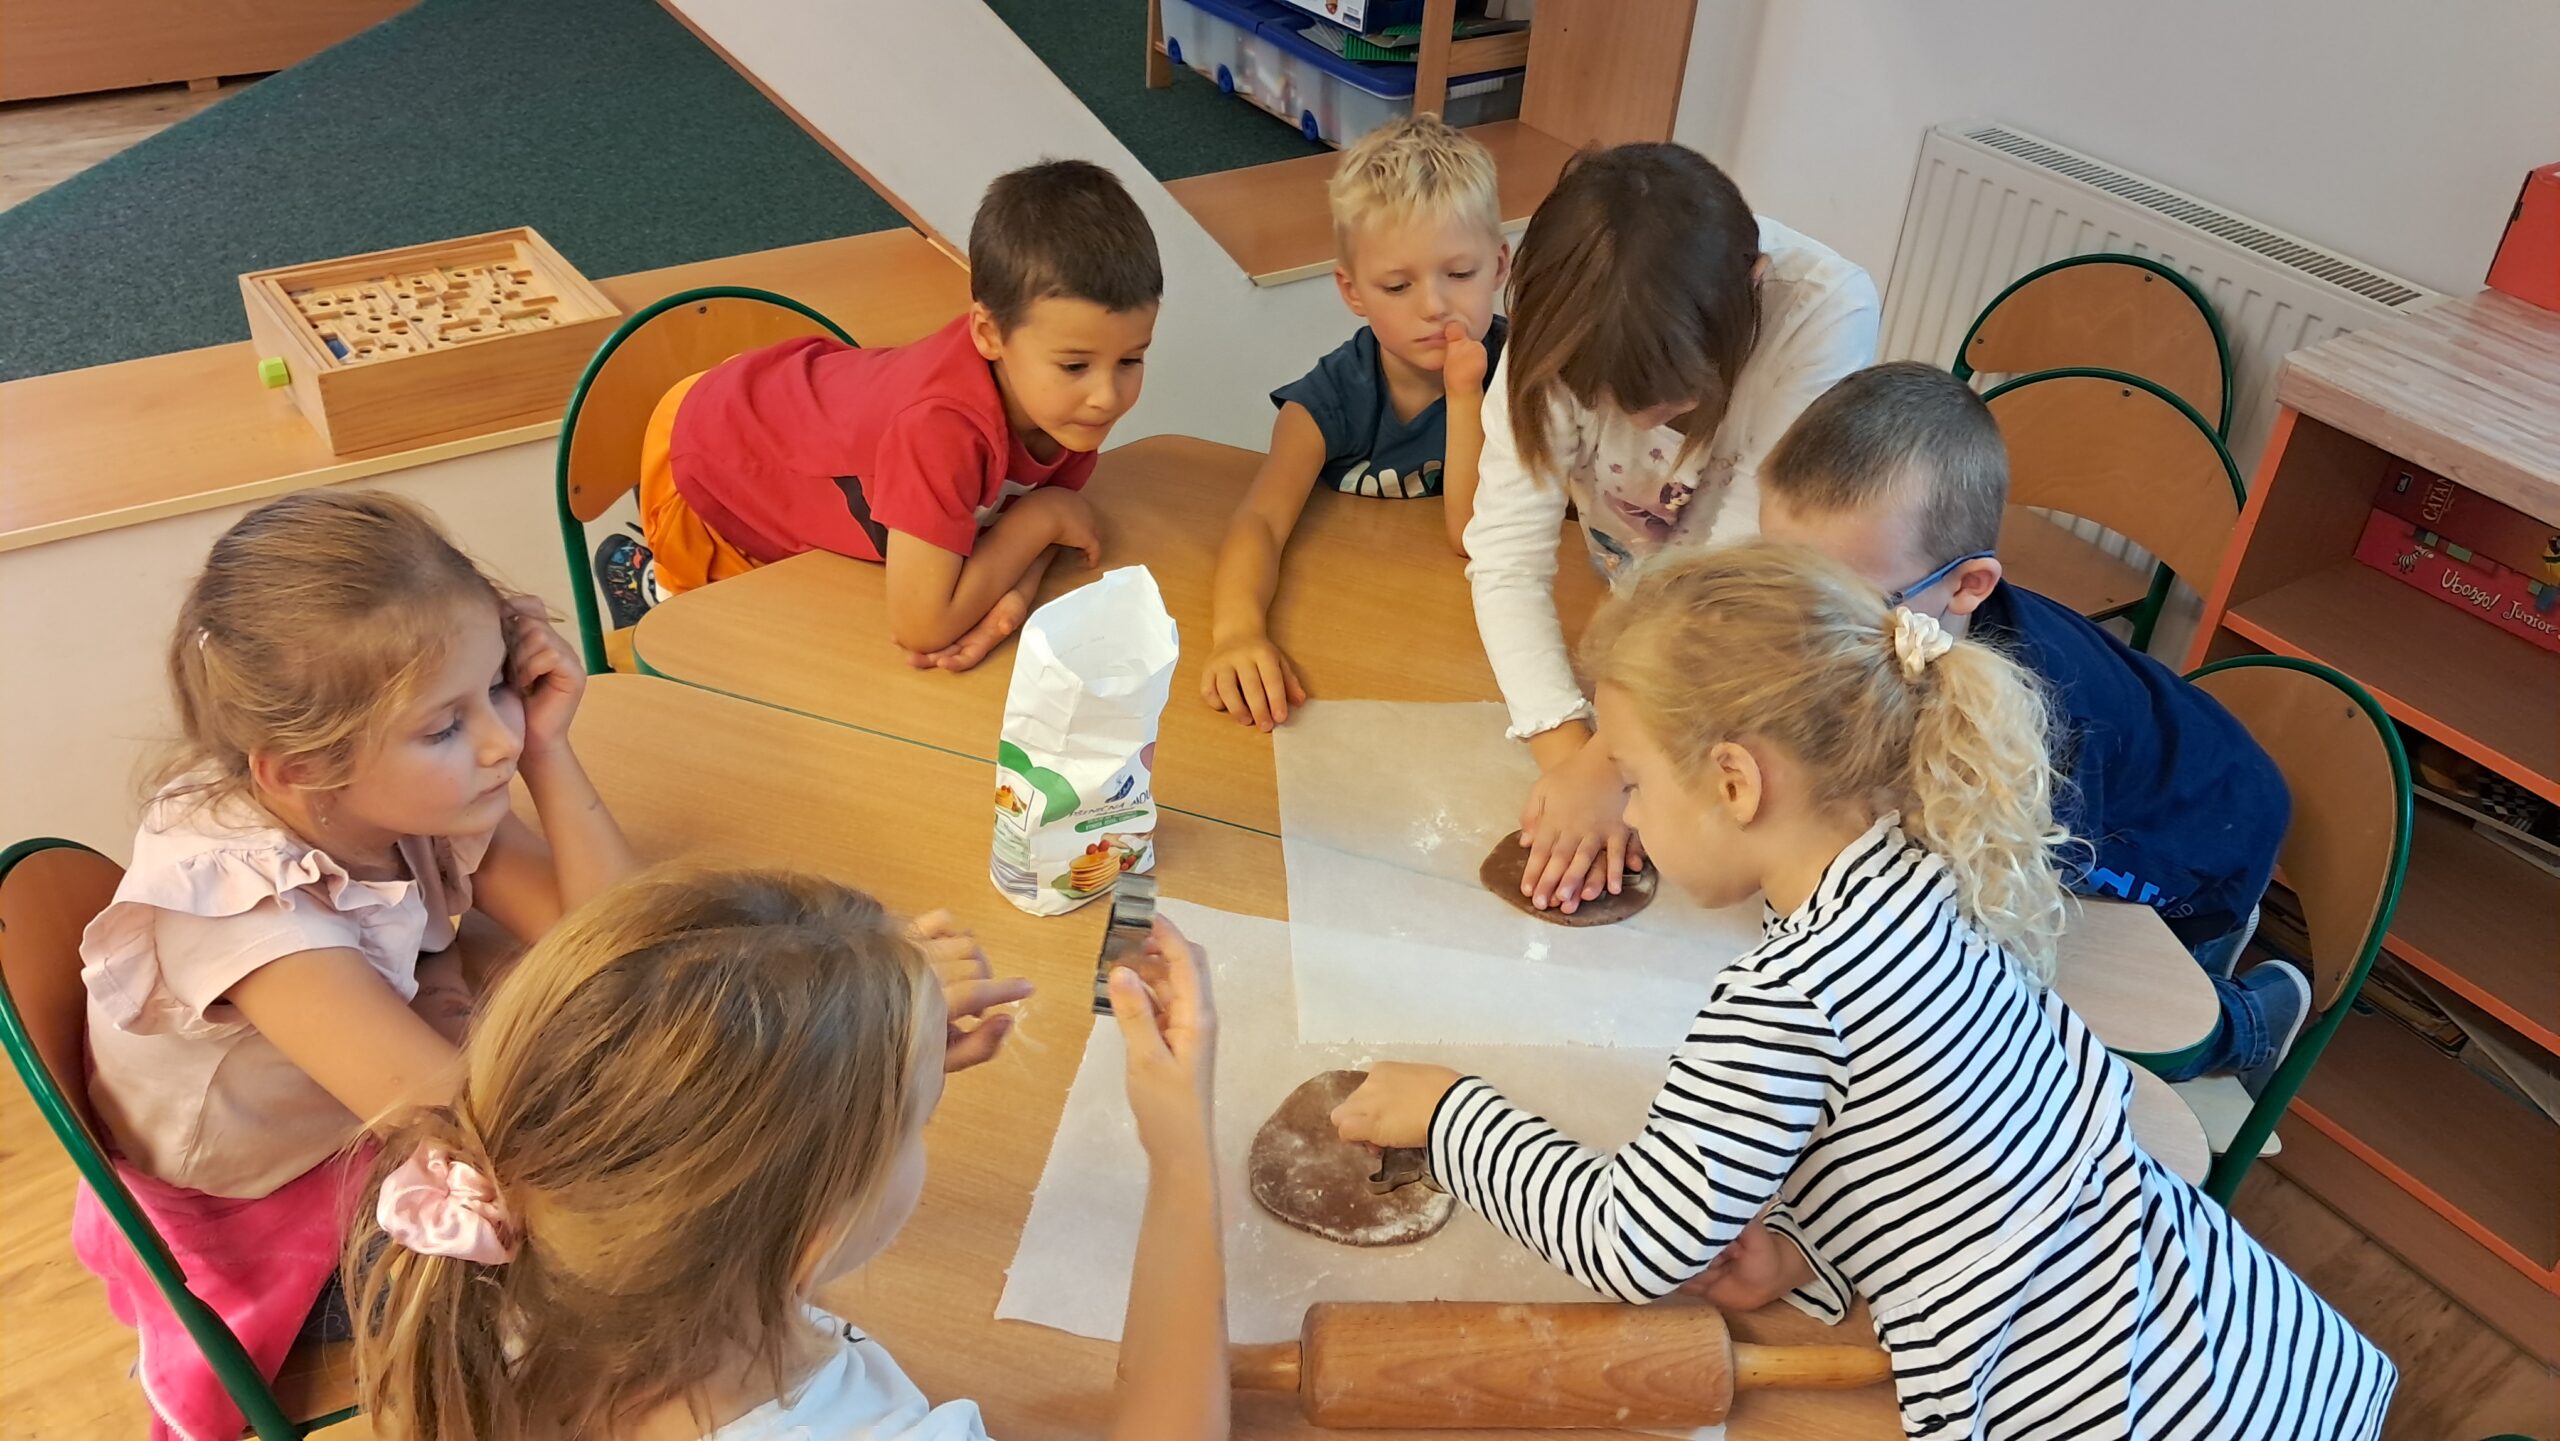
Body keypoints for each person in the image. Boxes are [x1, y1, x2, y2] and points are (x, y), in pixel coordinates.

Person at [1332, 542, 2396, 1438]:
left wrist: (1450, 1115)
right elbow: (1945, 1144)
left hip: (2108, 1409)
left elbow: (1635, 1244)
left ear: (1736, 782)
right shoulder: (1930, 871)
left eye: (1636, 781)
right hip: (2241, 1344)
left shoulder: (1788, 997)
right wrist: (1802, 1250)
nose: (1633, 815)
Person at [76, 490, 638, 1440]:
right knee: (573, 1279)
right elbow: (476, 1126)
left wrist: (549, 749)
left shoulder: (387, 787)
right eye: (445, 725)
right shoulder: (251, 915)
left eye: (497, 684)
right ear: (298, 768)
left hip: (378, 1096)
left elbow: (618, 935)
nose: (498, 738)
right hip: (266, 1205)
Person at [348, 867, 1227, 1441]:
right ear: (812, 1229)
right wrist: (1183, 1150)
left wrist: (849, 1065)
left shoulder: (514, 1269)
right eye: (919, 1120)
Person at [1758, 362, 2302, 1090]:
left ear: (1967, 586)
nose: (1802, 630)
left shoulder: (2033, 729)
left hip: (2200, 838)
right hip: (2139, 770)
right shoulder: (1902, 607)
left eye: (1843, 604)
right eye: (1778, 581)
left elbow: (2009, 911)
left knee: (2053, 1023)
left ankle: (2246, 1020)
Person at [1465, 143, 1878, 914]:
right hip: (1642, 614)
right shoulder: (1569, 319)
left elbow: (1737, 578)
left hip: (1762, 628)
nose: (1635, 422)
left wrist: (1613, 760)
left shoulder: (1825, 311)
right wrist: (1569, 757)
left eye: (1674, 399)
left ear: (1752, 289)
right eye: (1605, 401)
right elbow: (1506, 558)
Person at [600, 159, 1163, 673]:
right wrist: (1043, 524)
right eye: (1075, 366)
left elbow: (1018, 531)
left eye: (1131, 360)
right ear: (990, 335)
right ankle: (644, 577)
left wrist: (1013, 592)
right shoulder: (940, 429)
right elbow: (922, 627)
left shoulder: (1059, 401)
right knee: (727, 663)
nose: (1106, 396)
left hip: (792, 415)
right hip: (713, 459)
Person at [1202, 115, 1509, 729]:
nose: (1434, 305)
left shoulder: (1525, 378)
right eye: (1397, 286)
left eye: (1460, 274)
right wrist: (1237, 633)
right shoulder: (1328, 400)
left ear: (1499, 265)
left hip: (1470, 646)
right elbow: (1260, 520)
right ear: (1353, 291)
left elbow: (1472, 534)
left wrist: (1465, 395)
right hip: (1348, 631)